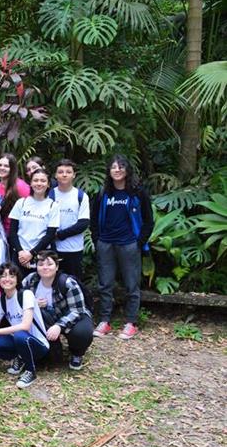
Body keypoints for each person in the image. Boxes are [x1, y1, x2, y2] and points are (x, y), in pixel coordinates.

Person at [90, 155, 153, 340]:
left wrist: (138, 243)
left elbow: (148, 221)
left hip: (128, 244)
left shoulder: (137, 193)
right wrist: (97, 240)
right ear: (109, 171)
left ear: (127, 170)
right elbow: (94, 220)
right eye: (113, 167)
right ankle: (105, 321)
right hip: (106, 243)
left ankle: (131, 322)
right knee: (105, 284)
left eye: (121, 167)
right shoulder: (103, 194)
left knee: (131, 285)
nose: (117, 170)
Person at [0, 263, 50, 389]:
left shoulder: (26, 295)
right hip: (18, 341)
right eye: (3, 276)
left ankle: (30, 371)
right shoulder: (1, 300)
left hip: (37, 344)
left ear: (17, 279)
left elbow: (25, 325)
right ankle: (20, 357)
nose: (7, 279)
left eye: (11, 276)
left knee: (20, 335)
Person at [22, 251, 94, 370]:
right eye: (41, 264)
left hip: (71, 315)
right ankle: (50, 350)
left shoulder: (67, 283)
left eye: (49, 264)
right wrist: (33, 303)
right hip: (46, 319)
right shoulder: (30, 280)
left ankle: (77, 353)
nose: (45, 268)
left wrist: (59, 326)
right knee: (51, 359)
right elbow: (19, 299)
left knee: (82, 333)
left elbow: (77, 310)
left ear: (57, 266)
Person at [8, 168, 60, 270]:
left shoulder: (53, 206)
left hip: (41, 256)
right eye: (35, 180)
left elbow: (50, 235)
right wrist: (21, 252)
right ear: (30, 183)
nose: (39, 183)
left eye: (43, 181)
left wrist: (31, 254)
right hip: (19, 255)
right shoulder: (21, 202)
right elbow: (12, 232)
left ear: (48, 184)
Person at [50, 159, 90, 278]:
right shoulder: (49, 194)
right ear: (56, 175)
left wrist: (59, 235)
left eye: (68, 172)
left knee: (74, 282)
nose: (64, 174)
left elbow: (83, 223)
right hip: (53, 249)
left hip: (74, 249)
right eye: (61, 172)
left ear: (74, 175)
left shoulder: (81, 196)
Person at [0, 153, 30, 235]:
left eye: (6, 166)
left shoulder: (21, 186)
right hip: (1, 233)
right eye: (0, 165)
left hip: (17, 233)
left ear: (12, 169)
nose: (2, 168)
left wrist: (0, 208)